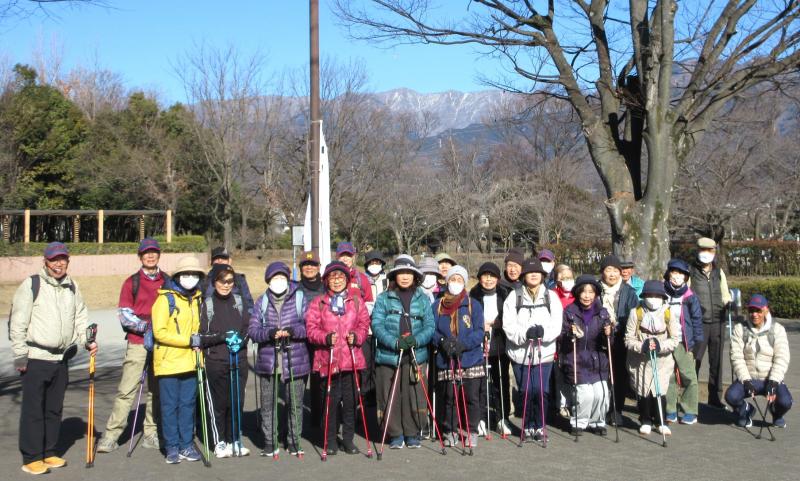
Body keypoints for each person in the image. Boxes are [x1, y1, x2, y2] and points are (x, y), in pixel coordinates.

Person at [10, 242, 97, 475]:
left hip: (62, 359)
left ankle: (48, 452)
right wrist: (20, 354)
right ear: (45, 262)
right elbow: (18, 321)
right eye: (54, 260)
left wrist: (87, 340)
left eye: (63, 259)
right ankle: (31, 457)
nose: (58, 264)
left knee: (54, 409)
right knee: (33, 410)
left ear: (68, 261)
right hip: (35, 357)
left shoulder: (72, 287)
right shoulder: (32, 284)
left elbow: (80, 317)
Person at [97, 238, 166, 454]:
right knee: (127, 390)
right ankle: (111, 435)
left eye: (154, 252)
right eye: (146, 253)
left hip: (162, 344)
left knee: (156, 391)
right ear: (140, 257)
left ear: (159, 255)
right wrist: (148, 327)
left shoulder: (169, 281)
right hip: (137, 342)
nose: (150, 256)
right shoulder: (131, 282)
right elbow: (125, 316)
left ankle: (151, 432)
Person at [305, 261, 371, 455]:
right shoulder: (319, 302)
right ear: (326, 281)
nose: (336, 281)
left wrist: (357, 337)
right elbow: (311, 329)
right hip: (329, 359)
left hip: (351, 360)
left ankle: (349, 439)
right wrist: (325, 338)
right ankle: (330, 439)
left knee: (350, 403)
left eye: (340, 277)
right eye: (332, 278)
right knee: (330, 403)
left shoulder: (356, 301)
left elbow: (364, 324)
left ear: (347, 280)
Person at [371, 255, 435, 449]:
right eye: (401, 273)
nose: (405, 277)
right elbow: (376, 324)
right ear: (394, 276)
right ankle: (395, 433)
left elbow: (430, 325)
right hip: (389, 355)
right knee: (389, 395)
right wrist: (394, 342)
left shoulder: (423, 299)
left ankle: (412, 432)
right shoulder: (384, 298)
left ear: (415, 276)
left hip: (415, 355)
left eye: (409, 273)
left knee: (414, 394)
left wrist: (417, 340)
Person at [248, 262, 310, 457]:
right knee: (268, 403)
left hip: (295, 358)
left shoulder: (300, 298)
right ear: (268, 281)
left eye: (282, 277)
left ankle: (294, 440)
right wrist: (270, 333)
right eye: (275, 278)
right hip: (270, 359)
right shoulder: (261, 301)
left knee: (295, 403)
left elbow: (310, 327)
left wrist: (293, 331)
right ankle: (270, 441)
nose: (279, 281)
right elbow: (253, 330)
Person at [151, 256, 205, 464]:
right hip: (169, 362)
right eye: (186, 274)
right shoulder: (165, 299)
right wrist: (188, 340)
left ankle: (186, 444)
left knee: (188, 405)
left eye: (194, 274)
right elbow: (160, 332)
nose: (190, 278)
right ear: (178, 276)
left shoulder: (198, 298)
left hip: (191, 361)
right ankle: (172, 445)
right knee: (169, 406)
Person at [502, 259, 563, 440]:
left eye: (537, 272)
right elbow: (508, 325)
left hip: (544, 352)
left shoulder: (551, 296)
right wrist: (525, 334)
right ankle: (528, 425)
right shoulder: (514, 296)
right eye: (530, 272)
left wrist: (543, 334)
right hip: (521, 353)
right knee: (526, 390)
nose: (534, 275)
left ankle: (540, 425)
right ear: (524, 276)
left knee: (541, 390)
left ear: (543, 276)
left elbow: (557, 325)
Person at [196, 264, 250, 458]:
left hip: (239, 359)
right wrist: (222, 336)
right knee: (219, 404)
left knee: (236, 401)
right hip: (216, 361)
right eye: (222, 281)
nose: (226, 285)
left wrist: (240, 341)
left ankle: (234, 439)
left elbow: (247, 328)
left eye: (229, 281)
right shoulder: (207, 304)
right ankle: (219, 442)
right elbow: (202, 336)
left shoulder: (239, 301)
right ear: (214, 282)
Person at [434, 265, 485, 448]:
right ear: (447, 282)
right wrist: (442, 341)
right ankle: (449, 430)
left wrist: (464, 344)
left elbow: (479, 331)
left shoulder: (473, 304)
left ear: (464, 283)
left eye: (459, 280)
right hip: (446, 357)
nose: (455, 283)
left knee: (472, 397)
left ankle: (471, 430)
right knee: (449, 398)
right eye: (452, 279)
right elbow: (432, 329)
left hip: (470, 357)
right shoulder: (437, 305)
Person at [725, 294, 792, 428]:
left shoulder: (777, 330)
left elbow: (782, 358)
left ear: (766, 310)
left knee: (785, 402)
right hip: (749, 379)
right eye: (751, 311)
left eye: (758, 311)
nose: (754, 314)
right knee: (731, 396)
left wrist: (773, 381)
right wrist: (745, 379)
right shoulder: (740, 329)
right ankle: (745, 410)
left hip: (770, 379)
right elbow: (736, 357)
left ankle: (776, 413)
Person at [624, 280, 681, 436]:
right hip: (640, 361)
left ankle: (660, 421)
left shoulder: (668, 313)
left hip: (662, 360)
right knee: (644, 392)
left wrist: (660, 345)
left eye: (657, 295)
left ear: (662, 297)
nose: (653, 298)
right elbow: (628, 338)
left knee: (659, 391)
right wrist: (641, 346)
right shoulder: (636, 312)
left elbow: (675, 339)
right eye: (649, 295)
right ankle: (645, 420)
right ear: (644, 296)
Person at [560, 275, 613, 435]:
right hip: (577, 358)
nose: (587, 296)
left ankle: (598, 422)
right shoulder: (569, 312)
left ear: (596, 294)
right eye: (583, 292)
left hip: (598, 360)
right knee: (586, 395)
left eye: (591, 292)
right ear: (577, 293)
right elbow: (561, 337)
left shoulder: (603, 313)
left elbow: (609, 341)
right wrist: (571, 333)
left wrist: (609, 333)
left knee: (601, 393)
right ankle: (579, 422)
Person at [469, 261, 512, 436]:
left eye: (492, 276)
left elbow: (509, 315)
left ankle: (503, 416)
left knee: (501, 381)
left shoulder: (505, 293)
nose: (488, 280)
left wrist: (497, 323)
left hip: (500, 342)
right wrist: (481, 325)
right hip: (480, 344)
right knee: (480, 383)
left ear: (498, 278)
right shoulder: (473, 294)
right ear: (479, 278)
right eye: (485, 276)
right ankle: (480, 417)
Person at [689, 237, 732, 409]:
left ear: (714, 252)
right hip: (698, 322)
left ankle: (715, 397)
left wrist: (729, 302)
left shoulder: (718, 272)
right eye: (703, 250)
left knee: (717, 361)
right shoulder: (691, 271)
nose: (706, 254)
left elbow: (725, 293)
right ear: (698, 251)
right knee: (695, 361)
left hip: (718, 321)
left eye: (710, 250)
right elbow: (686, 295)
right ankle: (690, 397)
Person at [663, 259, 703, 425]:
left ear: (686, 277)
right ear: (668, 273)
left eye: (680, 273)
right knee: (668, 376)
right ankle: (670, 409)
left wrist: (696, 343)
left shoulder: (690, 297)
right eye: (674, 272)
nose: (676, 276)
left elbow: (697, 321)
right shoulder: (661, 292)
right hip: (665, 341)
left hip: (684, 341)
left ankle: (690, 411)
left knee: (689, 376)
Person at [599, 255, 639, 418]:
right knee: (600, 374)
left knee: (619, 376)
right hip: (599, 338)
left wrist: (618, 326)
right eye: (609, 270)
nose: (612, 274)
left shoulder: (629, 292)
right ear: (602, 272)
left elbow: (633, 315)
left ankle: (617, 410)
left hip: (620, 339)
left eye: (616, 270)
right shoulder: (595, 289)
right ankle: (600, 409)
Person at [203, 246, 254, 317]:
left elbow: (249, 305)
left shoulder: (239, 280)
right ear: (211, 262)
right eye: (216, 258)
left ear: (230, 261)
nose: (220, 261)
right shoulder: (204, 281)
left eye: (223, 258)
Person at [552, 264, 575, 418]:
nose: (566, 280)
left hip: (573, 340)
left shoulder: (579, 293)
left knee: (572, 374)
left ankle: (574, 403)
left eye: (569, 277)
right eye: (563, 277)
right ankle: (561, 404)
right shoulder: (552, 294)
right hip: (556, 339)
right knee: (559, 374)